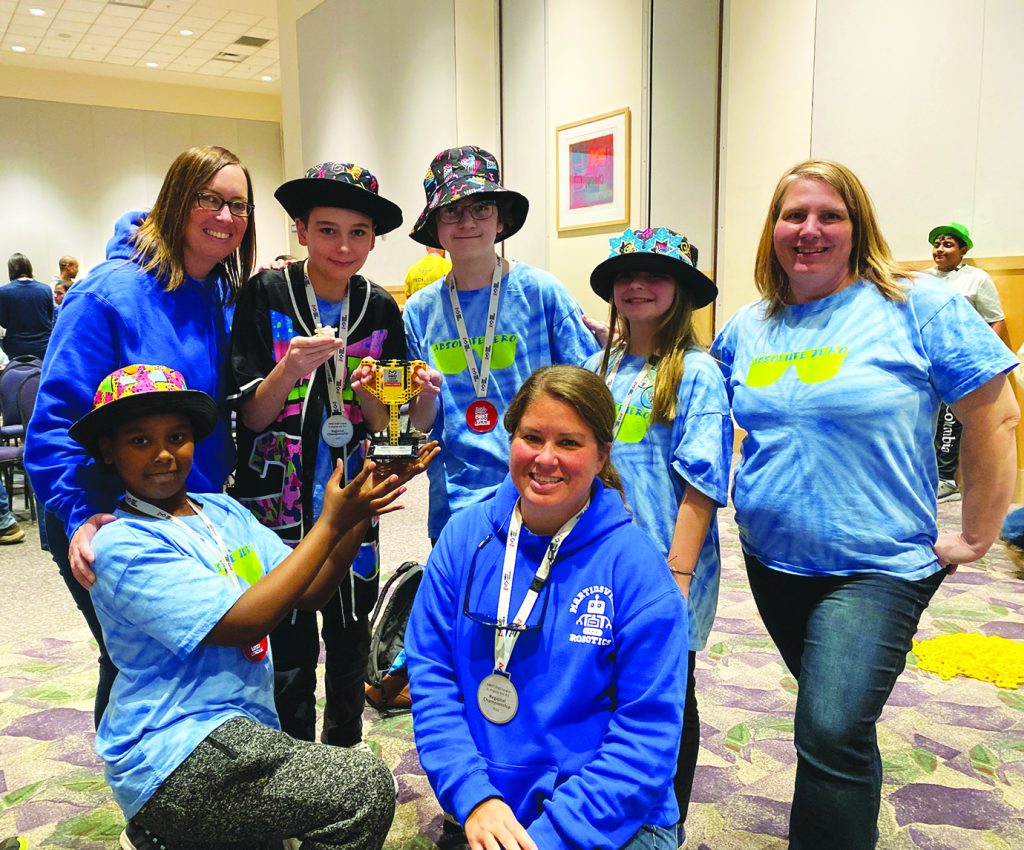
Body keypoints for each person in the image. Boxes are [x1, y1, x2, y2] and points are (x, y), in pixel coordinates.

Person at [710, 160, 1019, 850]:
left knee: (829, 725)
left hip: (877, 565)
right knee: (840, 725)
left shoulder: (918, 306)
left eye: (830, 216)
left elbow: (995, 416)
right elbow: (696, 408)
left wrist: (976, 534)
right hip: (772, 561)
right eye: (794, 215)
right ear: (773, 229)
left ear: (858, 228)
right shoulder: (749, 326)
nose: (809, 230)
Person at [73, 364, 399, 850]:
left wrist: (357, 514)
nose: (163, 453)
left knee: (333, 782)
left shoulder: (223, 511)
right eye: (140, 441)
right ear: (108, 449)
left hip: (239, 731)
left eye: (177, 436)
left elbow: (309, 592)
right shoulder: (122, 545)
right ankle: (158, 828)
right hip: (172, 750)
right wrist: (330, 522)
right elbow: (244, 622)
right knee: (363, 786)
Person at [406, 365, 687, 850]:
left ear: (602, 454)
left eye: (570, 443)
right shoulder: (463, 539)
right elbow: (432, 676)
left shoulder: (638, 571)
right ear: (510, 437)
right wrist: (473, 795)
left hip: (610, 817)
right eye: (532, 437)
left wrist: (553, 837)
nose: (546, 459)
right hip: (490, 807)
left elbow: (646, 739)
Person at [25, 144, 256, 727]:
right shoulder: (107, 294)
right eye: (209, 199)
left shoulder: (219, 296)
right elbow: (53, 425)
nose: (225, 217)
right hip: (110, 514)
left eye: (238, 205)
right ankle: (144, 797)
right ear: (176, 199)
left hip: (184, 511)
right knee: (135, 662)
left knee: (183, 658)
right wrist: (80, 515)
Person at [229, 161, 438, 747]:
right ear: (300, 230)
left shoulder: (380, 309)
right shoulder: (265, 294)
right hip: (274, 505)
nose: (343, 246)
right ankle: (293, 767)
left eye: (358, 233)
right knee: (286, 647)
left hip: (354, 499)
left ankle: (343, 760)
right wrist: (289, 369)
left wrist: (398, 400)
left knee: (349, 635)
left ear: (374, 238)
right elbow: (249, 415)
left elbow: (384, 424)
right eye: (327, 230)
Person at [586, 226, 732, 846]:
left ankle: (661, 827)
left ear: (682, 290)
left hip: (669, 567)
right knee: (601, 688)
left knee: (667, 696)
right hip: (601, 562)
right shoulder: (601, 368)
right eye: (626, 276)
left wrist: (674, 579)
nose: (638, 286)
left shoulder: (696, 373)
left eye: (656, 275)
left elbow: (700, 484)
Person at [391, 146, 600, 542]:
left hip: (543, 491)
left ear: (501, 221)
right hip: (455, 501)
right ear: (435, 225)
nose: (467, 221)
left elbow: (587, 396)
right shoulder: (419, 311)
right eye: (451, 211)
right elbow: (415, 424)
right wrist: (425, 397)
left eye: (481, 208)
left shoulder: (541, 293)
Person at [928, 221, 1010, 502]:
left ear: (962, 250)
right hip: (926, 360)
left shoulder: (976, 279)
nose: (939, 249)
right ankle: (927, 476)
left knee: (951, 421)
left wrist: (982, 361)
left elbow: (995, 320)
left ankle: (946, 480)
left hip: (960, 362)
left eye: (948, 244)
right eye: (937, 244)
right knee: (927, 420)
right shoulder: (923, 280)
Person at [0, 253, 54, 361]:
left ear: (11, 270)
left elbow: (4, 323)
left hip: (16, 348)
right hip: (44, 346)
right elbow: (50, 317)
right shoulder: (46, 289)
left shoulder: (3, 292)